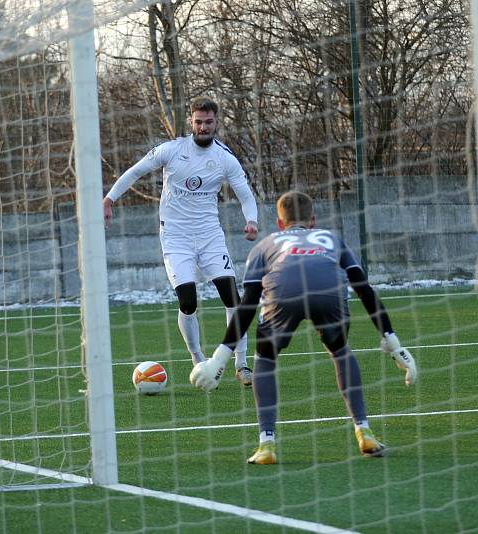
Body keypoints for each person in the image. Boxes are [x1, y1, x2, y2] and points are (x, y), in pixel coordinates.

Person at [190, 190, 418, 464]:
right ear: (313, 220)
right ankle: (364, 430)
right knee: (340, 350)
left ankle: (266, 444)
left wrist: (220, 357)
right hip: (329, 291)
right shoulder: (332, 239)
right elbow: (364, 290)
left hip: (284, 290)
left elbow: (248, 303)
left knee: (265, 358)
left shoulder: (265, 244)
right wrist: (393, 342)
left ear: (279, 223)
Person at [103, 96, 260, 385]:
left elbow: (246, 194)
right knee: (188, 302)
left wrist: (252, 220)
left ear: (216, 122)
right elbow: (135, 171)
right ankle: (199, 360)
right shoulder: (171, 150)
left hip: (210, 235)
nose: (203, 127)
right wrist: (110, 198)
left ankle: (241, 364)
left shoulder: (225, 158)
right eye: (198, 122)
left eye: (208, 122)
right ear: (191, 122)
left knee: (232, 297)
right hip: (175, 237)